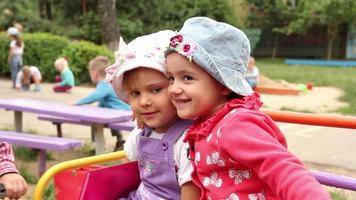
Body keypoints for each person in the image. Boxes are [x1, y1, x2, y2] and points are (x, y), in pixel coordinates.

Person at [165, 17, 330, 200]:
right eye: (171, 78)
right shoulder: (205, 121)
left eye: (187, 78)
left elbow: (283, 169)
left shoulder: (236, 124)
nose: (173, 89)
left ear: (223, 84)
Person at [106, 30, 200, 199]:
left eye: (155, 90)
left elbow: (191, 192)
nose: (144, 102)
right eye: (135, 93)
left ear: (176, 87)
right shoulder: (142, 131)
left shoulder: (188, 141)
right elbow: (125, 170)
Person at [75, 55, 130, 151]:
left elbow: (97, 96)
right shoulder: (110, 82)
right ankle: (119, 140)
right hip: (123, 112)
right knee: (98, 119)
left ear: (95, 73)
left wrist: (77, 103)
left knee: (95, 121)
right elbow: (102, 103)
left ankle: (97, 145)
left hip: (123, 114)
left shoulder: (105, 84)